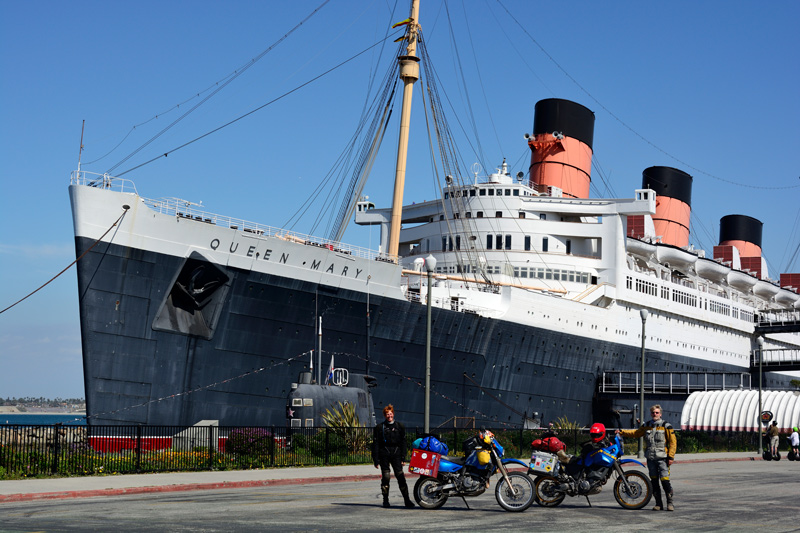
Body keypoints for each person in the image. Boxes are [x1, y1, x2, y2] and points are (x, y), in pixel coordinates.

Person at [618, 404, 677, 511]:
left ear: (660, 414)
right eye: (653, 413)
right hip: (650, 458)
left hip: (662, 458)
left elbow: (673, 442)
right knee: (654, 482)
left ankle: (670, 503)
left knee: (665, 481)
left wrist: (671, 457)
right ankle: (658, 504)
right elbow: (636, 433)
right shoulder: (647, 425)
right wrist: (622, 432)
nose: (655, 414)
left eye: (657, 413)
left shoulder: (666, 426)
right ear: (651, 414)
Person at [372, 404, 414, 508]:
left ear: (393, 414)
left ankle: (407, 500)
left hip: (396, 453)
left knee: (400, 477)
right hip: (384, 453)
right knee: (386, 477)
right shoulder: (379, 428)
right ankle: (385, 500)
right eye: (387, 414)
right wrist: (376, 460)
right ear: (384, 415)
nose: (389, 416)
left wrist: (404, 457)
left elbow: (403, 442)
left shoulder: (400, 426)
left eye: (390, 414)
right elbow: (376, 444)